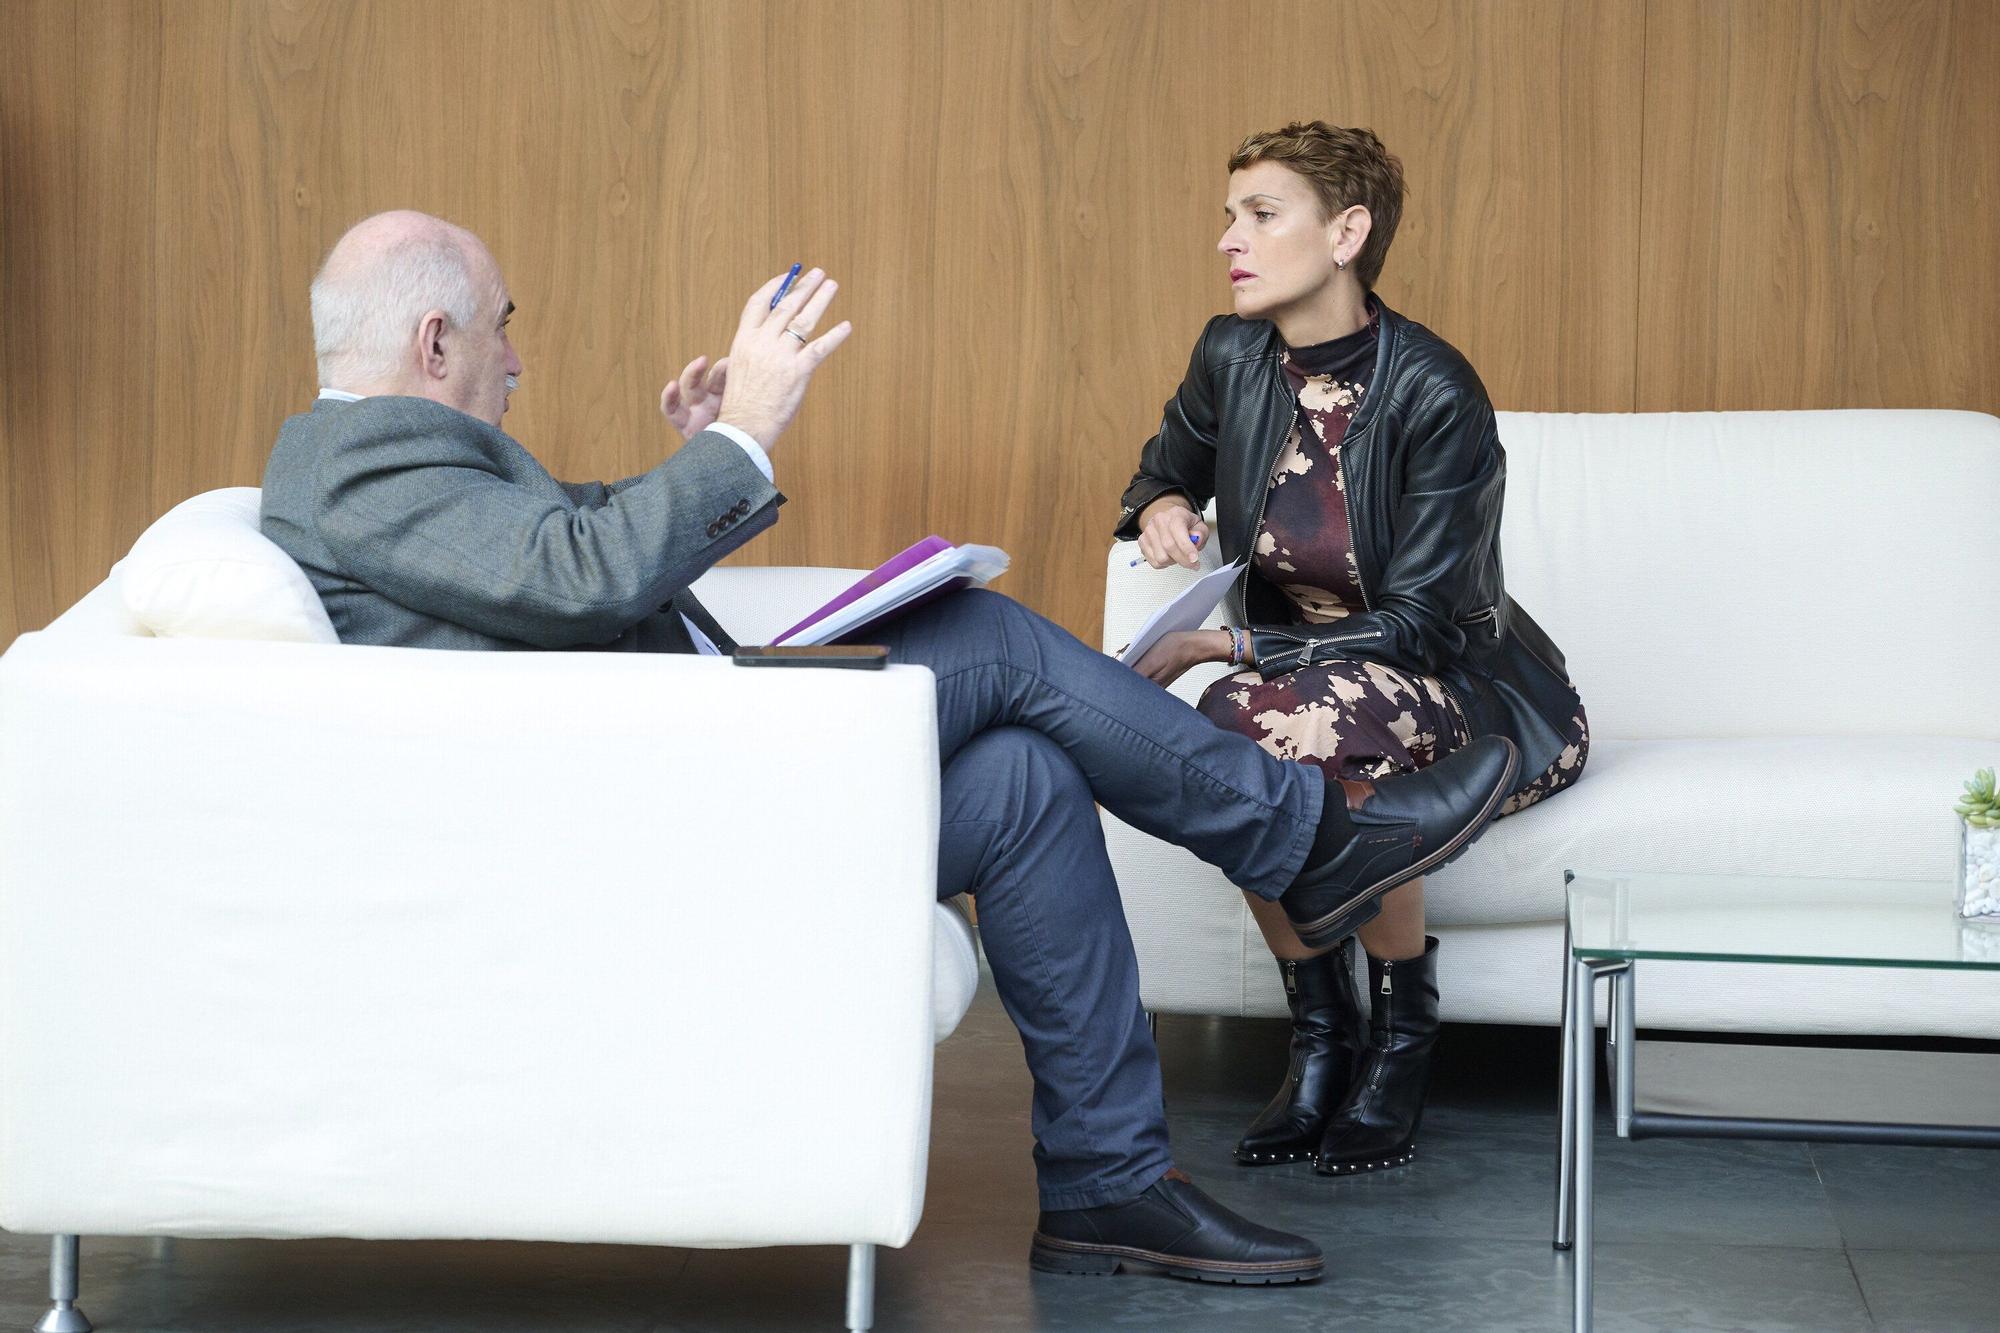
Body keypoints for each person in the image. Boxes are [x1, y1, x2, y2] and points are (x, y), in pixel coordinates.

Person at [261, 210, 1520, 1284]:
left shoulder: (387, 466)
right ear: (434, 343)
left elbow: (551, 563)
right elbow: (577, 580)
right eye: (499, 326)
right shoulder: (358, 464)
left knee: (1024, 782)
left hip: (680, 772)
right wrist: (736, 438)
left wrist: (696, 456)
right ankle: (1311, 839)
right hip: (656, 812)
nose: (515, 358)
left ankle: (1104, 1184)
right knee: (979, 632)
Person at [1117, 122, 1590, 1178]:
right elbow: (1160, 468)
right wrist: (1157, 506)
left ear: (1346, 231)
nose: (1227, 239)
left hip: (1473, 698)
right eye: (1229, 214)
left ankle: (1397, 1043)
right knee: (1243, 727)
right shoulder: (1229, 355)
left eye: (1259, 214)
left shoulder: (1433, 389)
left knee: (1284, 721)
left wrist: (1223, 638)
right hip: (1300, 685)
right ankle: (1327, 1036)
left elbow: (1422, 620)